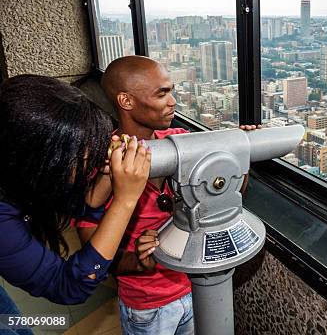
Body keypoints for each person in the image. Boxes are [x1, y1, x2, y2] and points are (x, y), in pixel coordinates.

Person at [77, 55, 260, 335]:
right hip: (148, 306)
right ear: (126, 101)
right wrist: (138, 261)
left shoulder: (180, 140)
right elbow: (93, 254)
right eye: (162, 94)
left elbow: (226, 196)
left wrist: (238, 156)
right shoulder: (103, 166)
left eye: (171, 90)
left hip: (193, 286)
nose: (173, 101)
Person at [0, 75, 151, 334]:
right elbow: (69, 286)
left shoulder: (15, 173)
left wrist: (105, 175)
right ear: (38, 160)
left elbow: (82, 205)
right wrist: (125, 200)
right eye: (79, 153)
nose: (89, 160)